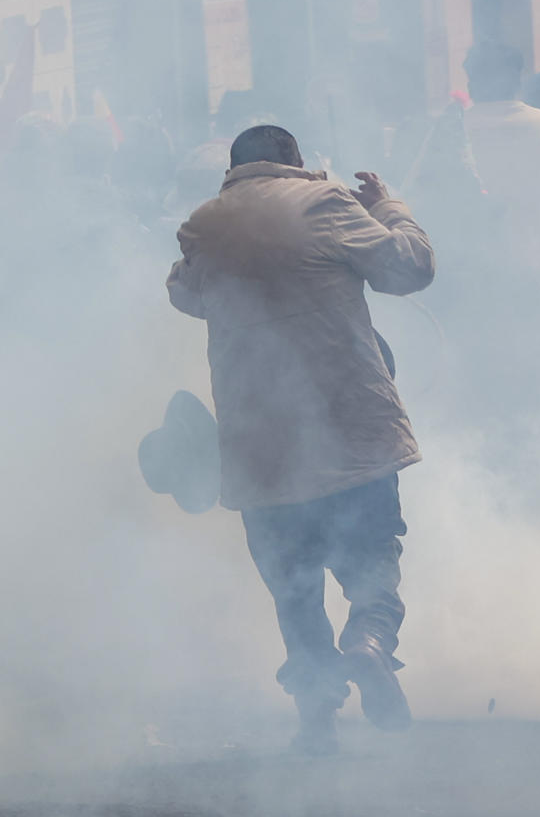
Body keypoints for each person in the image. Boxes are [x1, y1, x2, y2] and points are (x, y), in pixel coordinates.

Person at [166, 124, 435, 752]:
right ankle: (368, 642)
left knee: (293, 581)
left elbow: (185, 295)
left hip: (260, 440)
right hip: (350, 423)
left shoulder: (205, 224)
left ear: (233, 170)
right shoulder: (327, 202)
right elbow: (410, 269)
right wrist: (390, 208)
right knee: (372, 555)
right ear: (296, 163)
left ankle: (316, 716)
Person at [458, 43, 540, 305]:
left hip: (467, 284)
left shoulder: (452, 129)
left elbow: (412, 198)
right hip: (536, 280)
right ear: (518, 81)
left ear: (472, 82)